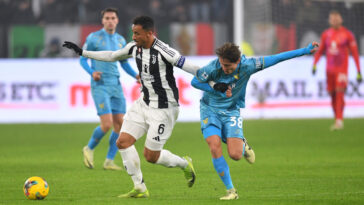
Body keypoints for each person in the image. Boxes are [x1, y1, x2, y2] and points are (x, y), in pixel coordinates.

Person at [63, 16, 199, 198]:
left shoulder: (165, 51)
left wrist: (216, 81)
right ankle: (140, 188)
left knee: (151, 156)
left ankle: (184, 164)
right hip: (143, 103)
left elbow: (191, 67)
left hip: (164, 109)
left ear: (150, 33)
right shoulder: (134, 48)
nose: (133, 37)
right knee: (123, 141)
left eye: (137, 33)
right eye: (133, 33)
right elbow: (112, 56)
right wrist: (83, 52)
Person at [191, 41, 318, 200]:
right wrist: (214, 87)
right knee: (214, 145)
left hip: (231, 111)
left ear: (238, 62)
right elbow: (195, 81)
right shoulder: (213, 67)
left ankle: (242, 145)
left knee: (235, 155)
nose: (224, 68)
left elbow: (277, 58)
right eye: (223, 64)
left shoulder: (249, 65)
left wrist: (305, 51)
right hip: (209, 109)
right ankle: (231, 191)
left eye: (228, 66)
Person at [80, 8, 140, 171]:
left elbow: (124, 63)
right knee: (106, 124)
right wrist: (93, 73)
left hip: (116, 86)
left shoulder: (121, 40)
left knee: (120, 124)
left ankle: (109, 161)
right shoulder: (93, 38)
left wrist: (136, 76)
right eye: (107, 18)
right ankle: (89, 148)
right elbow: (83, 60)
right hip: (100, 86)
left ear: (117, 20)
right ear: (102, 21)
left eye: (113, 18)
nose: (110, 21)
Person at [312, 10, 362, 130]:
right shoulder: (326, 34)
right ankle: (337, 118)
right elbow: (320, 50)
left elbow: (355, 53)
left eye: (336, 18)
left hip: (342, 69)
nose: (334, 20)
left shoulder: (348, 35)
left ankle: (339, 120)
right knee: (332, 94)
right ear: (329, 20)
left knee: (340, 92)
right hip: (329, 70)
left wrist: (359, 71)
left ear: (341, 19)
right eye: (332, 18)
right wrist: (314, 64)